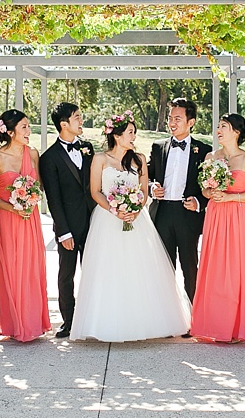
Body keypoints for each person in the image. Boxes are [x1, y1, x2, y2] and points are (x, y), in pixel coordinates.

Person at [71, 110, 190, 342]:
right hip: (107, 220)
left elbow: (144, 192)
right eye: (130, 133)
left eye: (134, 133)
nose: (134, 137)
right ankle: (106, 323)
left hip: (137, 220)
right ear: (117, 136)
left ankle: (145, 322)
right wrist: (115, 210)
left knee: (139, 269)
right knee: (109, 270)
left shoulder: (139, 160)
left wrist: (135, 209)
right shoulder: (100, 159)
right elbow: (95, 191)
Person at [191, 113, 245, 343]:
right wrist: (210, 193)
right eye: (218, 126)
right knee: (213, 268)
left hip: (237, 216)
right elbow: (203, 189)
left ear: (237, 132)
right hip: (215, 215)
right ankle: (212, 324)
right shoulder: (212, 157)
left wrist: (232, 198)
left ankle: (234, 327)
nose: (218, 130)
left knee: (235, 269)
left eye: (224, 126)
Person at [0, 109, 51, 342]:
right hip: (7, 219)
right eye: (24, 127)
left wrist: (31, 197)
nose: (28, 131)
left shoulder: (32, 153)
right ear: (10, 131)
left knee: (32, 268)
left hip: (30, 219)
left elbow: (40, 185)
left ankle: (34, 323)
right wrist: (13, 206)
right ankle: (15, 324)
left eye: (28, 126)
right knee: (12, 270)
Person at [38, 102, 96, 339]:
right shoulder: (49, 158)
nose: (81, 121)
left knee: (94, 272)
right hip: (68, 227)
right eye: (77, 117)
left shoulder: (89, 149)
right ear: (64, 124)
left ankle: (93, 317)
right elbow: (53, 198)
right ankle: (69, 322)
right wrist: (63, 232)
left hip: (94, 223)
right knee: (66, 275)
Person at [148, 98, 212, 301]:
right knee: (163, 267)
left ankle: (194, 315)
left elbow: (212, 184)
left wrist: (199, 202)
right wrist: (152, 188)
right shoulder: (158, 147)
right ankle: (166, 317)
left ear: (191, 122)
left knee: (190, 268)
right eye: (170, 118)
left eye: (177, 118)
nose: (172, 123)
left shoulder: (204, 151)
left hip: (188, 216)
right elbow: (147, 175)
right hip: (163, 213)